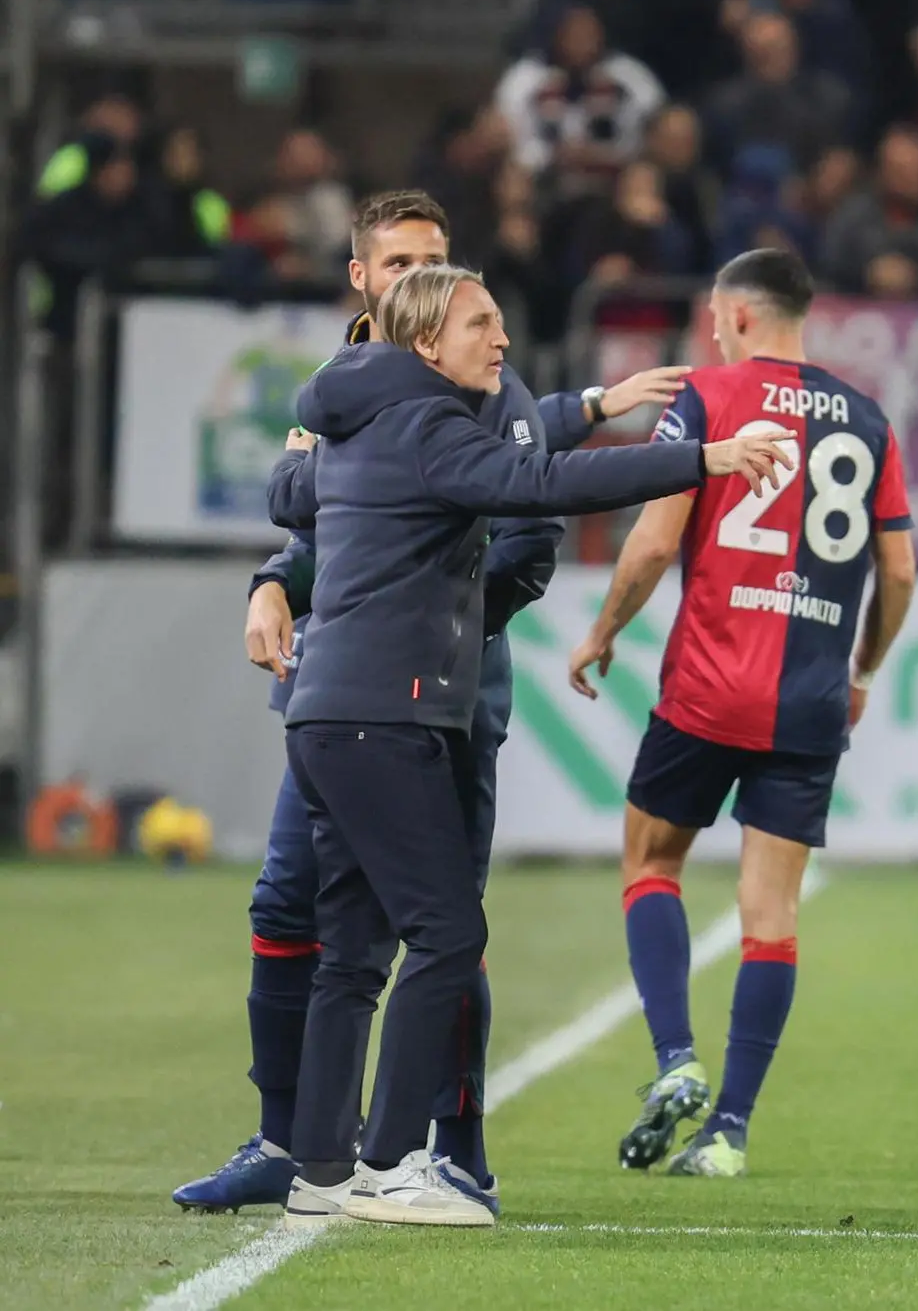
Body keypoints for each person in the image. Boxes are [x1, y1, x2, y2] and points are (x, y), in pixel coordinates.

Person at [173, 190, 689, 1216]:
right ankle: (324, 1150)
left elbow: (522, 507)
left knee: (409, 932)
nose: (428, 277)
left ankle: (442, 1150)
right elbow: (313, 521)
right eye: (406, 262)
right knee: (355, 918)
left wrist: (453, 614)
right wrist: (274, 583)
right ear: (366, 281)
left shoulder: (448, 389)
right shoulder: (358, 395)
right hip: (374, 702)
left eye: (439, 259)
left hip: (430, 696)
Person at [274, 265, 791, 1228]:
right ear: (427, 343)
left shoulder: (357, 417)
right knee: (446, 933)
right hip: (384, 717)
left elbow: (293, 492)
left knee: (352, 951)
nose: (501, 340)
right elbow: (538, 481)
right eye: (481, 325)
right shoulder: (425, 425)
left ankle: (319, 1171)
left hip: (332, 714)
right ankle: (387, 1168)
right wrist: (706, 458)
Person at [565, 248, 917, 1179]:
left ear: (737, 313)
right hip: (808, 702)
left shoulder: (711, 396)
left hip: (707, 688)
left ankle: (675, 1061)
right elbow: (902, 570)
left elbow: (651, 540)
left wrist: (603, 630)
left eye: (716, 317)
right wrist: (865, 668)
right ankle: (729, 1133)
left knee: (651, 863)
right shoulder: (870, 417)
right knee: (771, 916)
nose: (712, 331)